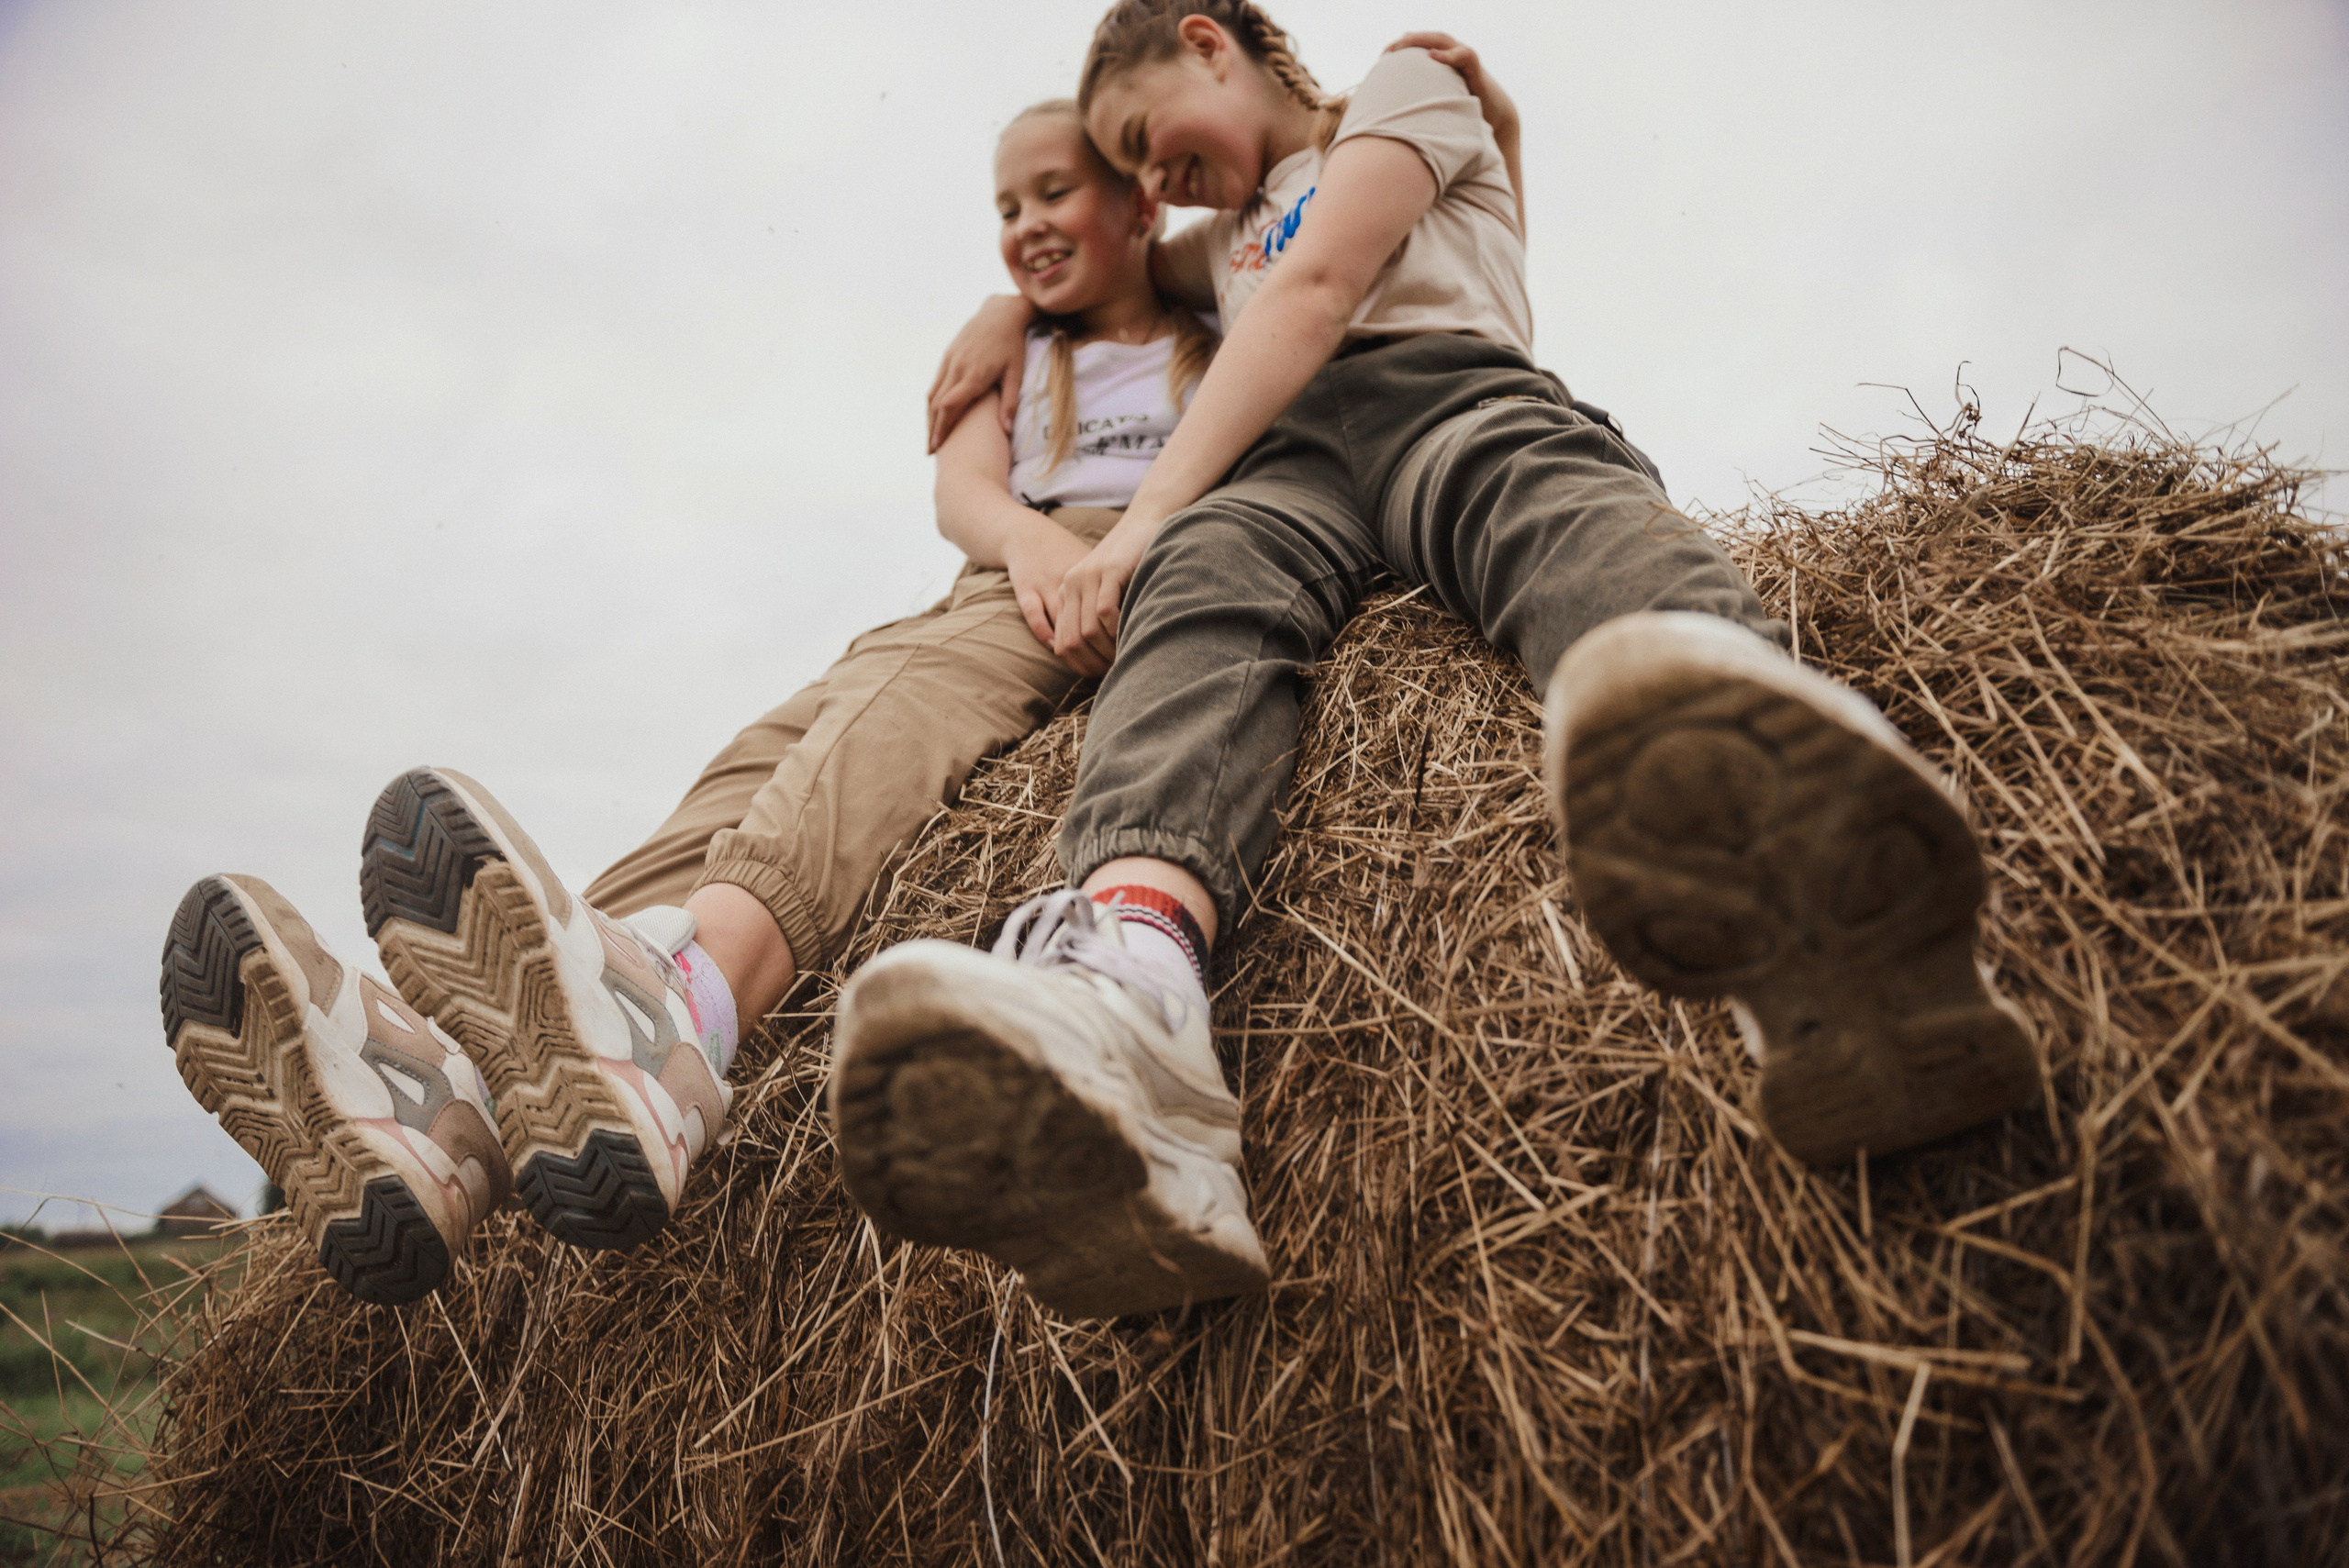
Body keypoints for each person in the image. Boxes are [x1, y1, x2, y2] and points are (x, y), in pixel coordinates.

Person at [831, 5, 2043, 1321]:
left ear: (1206, 41)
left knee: (1540, 502)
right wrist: (1005, 311)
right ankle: (1135, 993)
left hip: (1448, 391)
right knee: (1201, 602)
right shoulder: (1212, 232)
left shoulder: (1402, 92)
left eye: (1146, 138)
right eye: (1130, 170)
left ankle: (1787, 825)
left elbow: (1316, 289)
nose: (1152, 182)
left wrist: (1140, 519)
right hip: (1285, 462)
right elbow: (1100, 263)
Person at [154, 99, 1224, 1306]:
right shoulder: (1018, 356)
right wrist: (1022, 499)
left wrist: (1084, 549)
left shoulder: (1216, 326)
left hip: (1103, 581)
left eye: (1053, 193)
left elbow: (1326, 249)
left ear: (1143, 199)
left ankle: (688, 1015)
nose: (1025, 226)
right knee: (755, 768)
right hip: (999, 575)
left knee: (881, 738)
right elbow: (960, 494)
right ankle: (457, 1093)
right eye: (1006, 207)